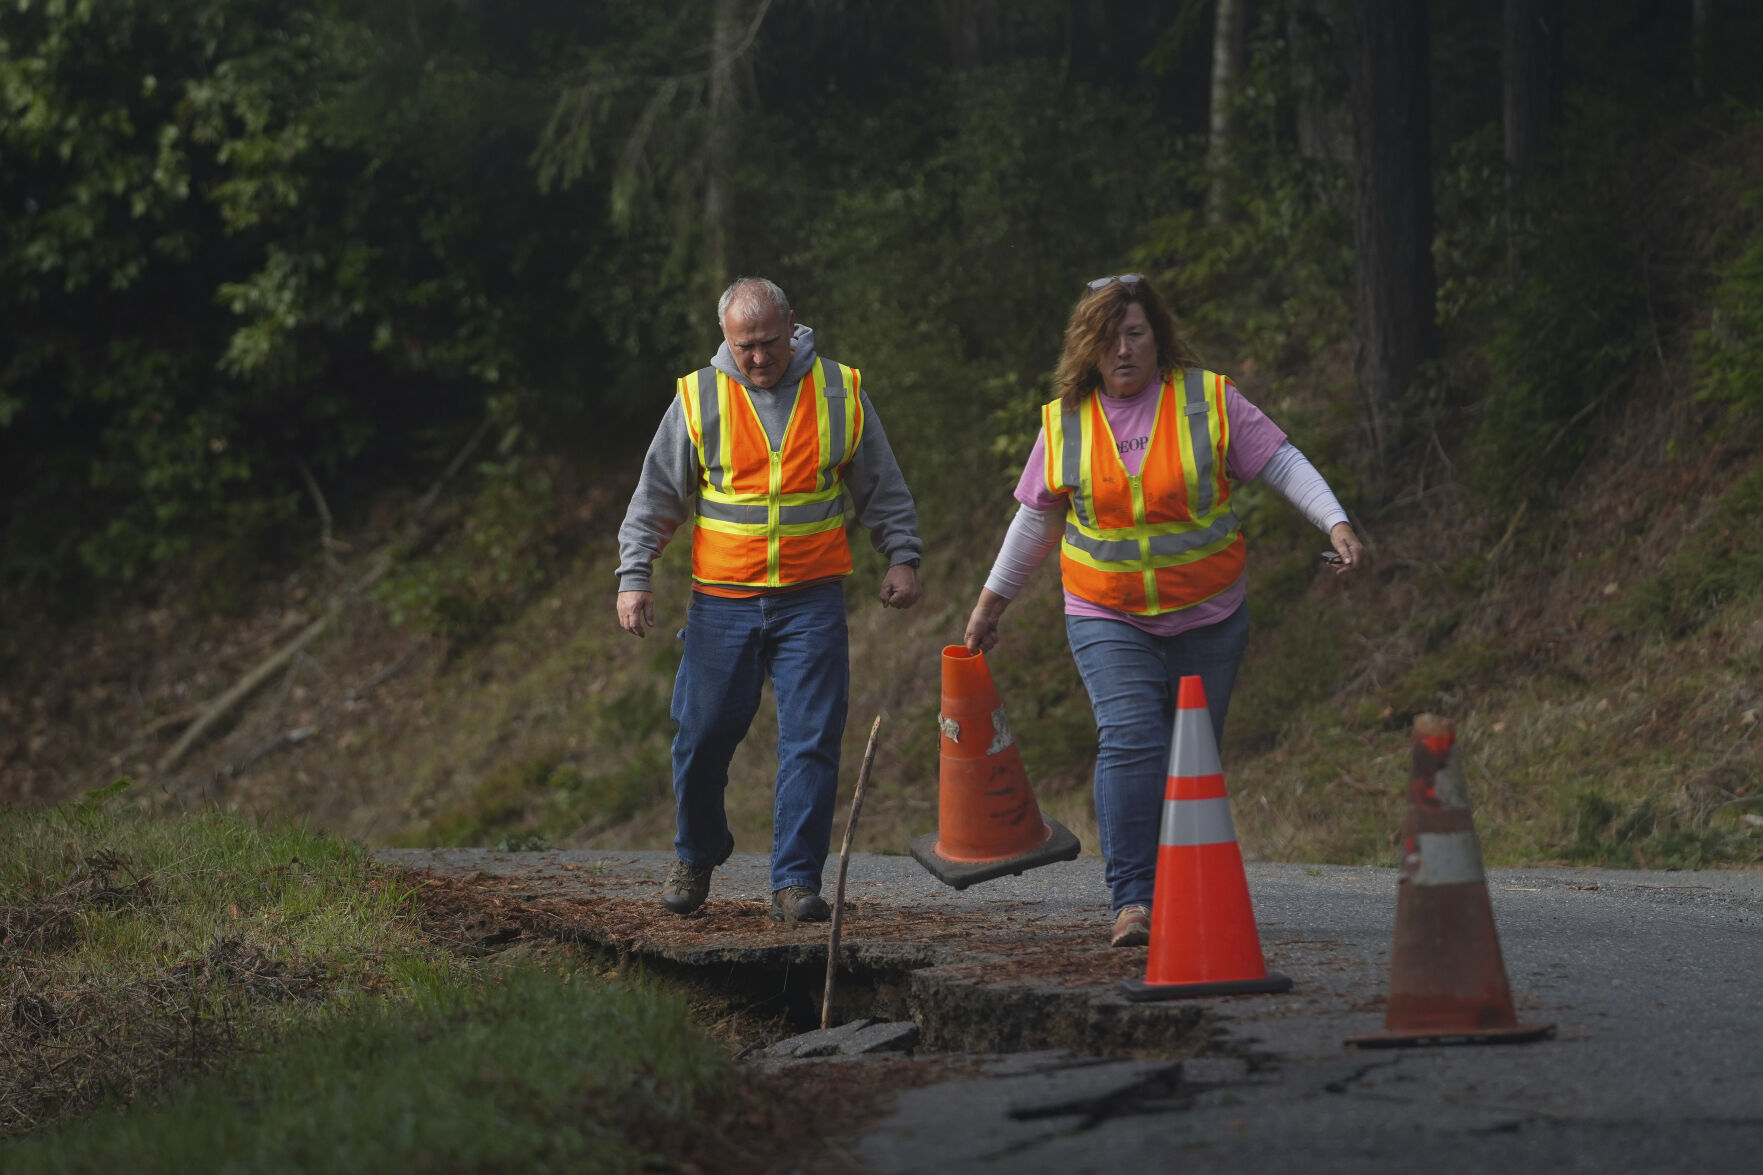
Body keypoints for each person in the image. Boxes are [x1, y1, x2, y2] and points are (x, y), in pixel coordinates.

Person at [963, 274, 1363, 948]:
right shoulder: (1065, 422)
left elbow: (1280, 462)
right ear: (1085, 347)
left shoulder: (1207, 401)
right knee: (1129, 739)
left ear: (1157, 336)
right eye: (1106, 336)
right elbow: (1034, 524)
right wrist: (988, 605)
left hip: (1210, 617)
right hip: (1106, 614)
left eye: (1135, 333)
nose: (1122, 349)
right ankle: (1133, 901)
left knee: (1189, 761)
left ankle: (1184, 892)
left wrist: (1336, 523)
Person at [616, 277, 924, 923]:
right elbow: (656, 497)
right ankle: (697, 853)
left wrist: (901, 553)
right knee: (700, 736)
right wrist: (634, 574)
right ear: (725, 340)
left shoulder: (839, 388)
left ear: (792, 326)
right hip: (721, 603)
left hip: (811, 600)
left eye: (766, 343)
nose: (756, 358)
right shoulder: (699, 396)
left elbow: (880, 482)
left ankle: (794, 881)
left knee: (811, 737)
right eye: (742, 346)